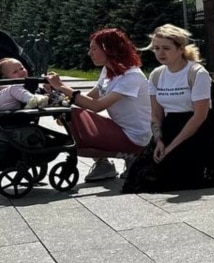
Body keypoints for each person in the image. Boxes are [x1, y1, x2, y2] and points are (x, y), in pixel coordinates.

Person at [122, 25, 214, 193]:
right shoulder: (156, 75)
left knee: (181, 175)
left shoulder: (197, 73)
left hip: (197, 129)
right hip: (170, 127)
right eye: (156, 48)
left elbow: (200, 115)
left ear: (181, 48)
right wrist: (159, 140)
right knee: (142, 179)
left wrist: (172, 146)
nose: (160, 53)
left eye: (166, 48)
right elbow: (156, 114)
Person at [45, 28, 152, 182]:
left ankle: (134, 155)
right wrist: (61, 99)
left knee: (74, 119)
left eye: (94, 49)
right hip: (121, 129)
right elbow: (89, 98)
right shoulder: (108, 70)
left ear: (109, 50)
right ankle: (104, 164)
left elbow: (97, 106)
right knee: (71, 120)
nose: (90, 53)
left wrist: (61, 86)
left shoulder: (132, 76)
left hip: (136, 136)